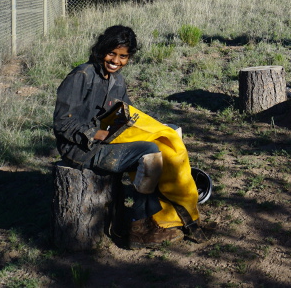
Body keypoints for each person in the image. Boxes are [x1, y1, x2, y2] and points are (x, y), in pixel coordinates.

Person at [53, 25, 196, 248]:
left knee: (160, 142)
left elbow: (126, 114)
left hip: (107, 143)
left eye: (123, 56)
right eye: (111, 53)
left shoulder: (117, 81)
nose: (116, 60)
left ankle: (156, 217)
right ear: (101, 49)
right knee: (148, 153)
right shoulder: (81, 76)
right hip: (79, 149)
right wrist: (95, 133)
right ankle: (139, 227)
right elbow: (62, 122)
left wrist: (159, 126)